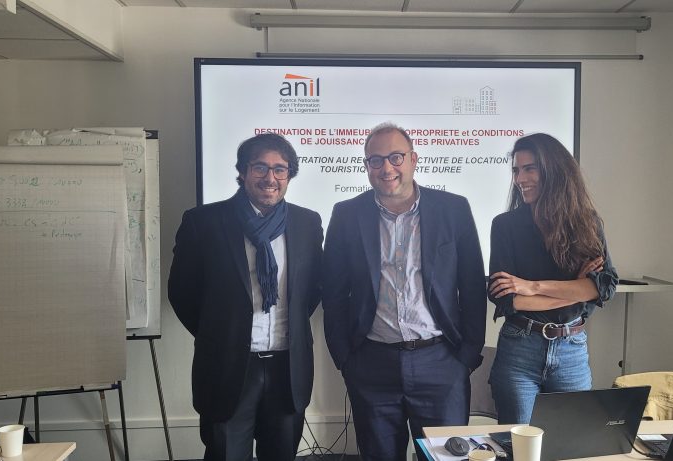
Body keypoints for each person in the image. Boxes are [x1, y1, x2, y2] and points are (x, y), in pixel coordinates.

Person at [322, 122, 486, 460]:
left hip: (441, 361)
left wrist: (466, 356)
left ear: (413, 159)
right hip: (371, 365)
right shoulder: (346, 214)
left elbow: (471, 285)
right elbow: (334, 293)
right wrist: (345, 358)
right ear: (367, 166)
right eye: (376, 160)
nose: (386, 168)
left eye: (395, 157)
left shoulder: (453, 209)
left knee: (447, 458)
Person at [168, 133, 323, 461]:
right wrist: (222, 333)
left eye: (280, 169)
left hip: (287, 368)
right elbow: (182, 293)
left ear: (289, 175)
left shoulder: (307, 223)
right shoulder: (204, 222)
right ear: (242, 171)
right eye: (260, 168)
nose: (270, 178)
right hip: (228, 367)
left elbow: (310, 293)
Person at [487, 133, 618, 424]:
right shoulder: (505, 225)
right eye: (516, 170)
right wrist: (578, 289)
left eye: (530, 168)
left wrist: (532, 287)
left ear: (554, 170)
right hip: (520, 348)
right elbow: (508, 300)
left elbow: (605, 287)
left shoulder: (587, 223)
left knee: (571, 445)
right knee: (518, 448)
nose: (521, 178)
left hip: (571, 350)